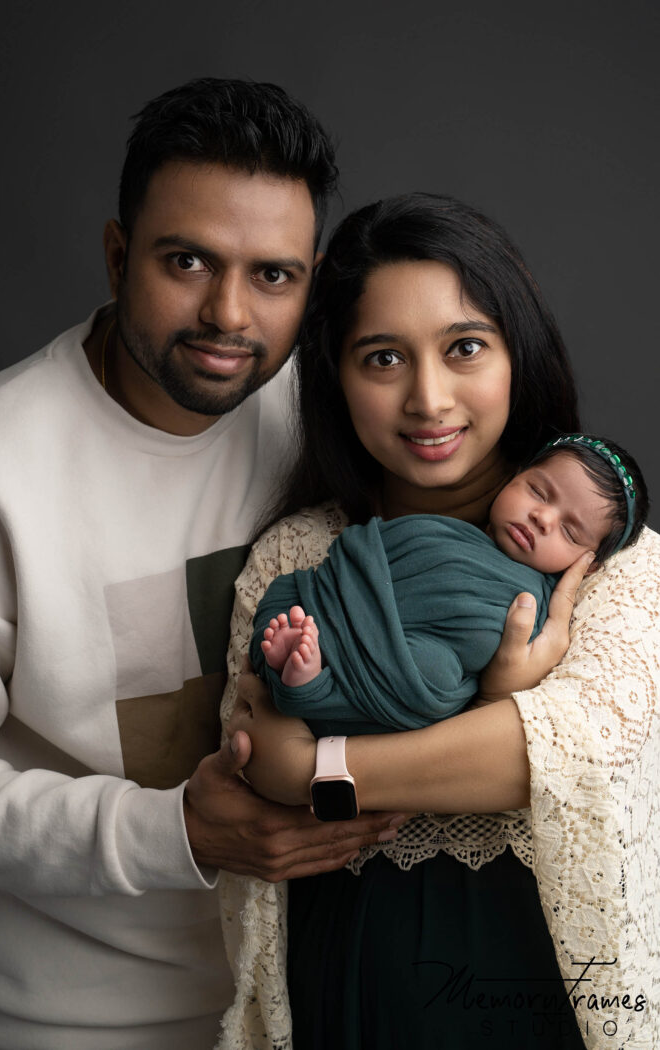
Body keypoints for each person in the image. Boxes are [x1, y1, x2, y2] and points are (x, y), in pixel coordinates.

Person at [0, 79, 404, 1050]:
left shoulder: (330, 412)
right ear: (117, 254)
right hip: (69, 1021)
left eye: (274, 276)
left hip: (312, 988)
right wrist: (179, 833)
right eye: (188, 261)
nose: (229, 314)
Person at [217, 194, 659, 1049]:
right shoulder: (294, 552)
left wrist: (320, 770)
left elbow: (553, 755)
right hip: (344, 980)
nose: (428, 398)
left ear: (516, 353)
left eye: (464, 348)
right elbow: (250, 755)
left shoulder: (621, 568)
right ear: (334, 376)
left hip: (533, 988)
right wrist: (495, 712)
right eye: (382, 358)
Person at [254, 435, 648, 736]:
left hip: (419, 663)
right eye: (538, 491)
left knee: (438, 674)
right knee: (288, 596)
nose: (543, 517)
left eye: (569, 530)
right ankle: (308, 659)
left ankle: (312, 683)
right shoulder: (447, 527)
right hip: (345, 603)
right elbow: (375, 551)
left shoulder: (543, 602)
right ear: (515, 476)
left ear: (589, 564)